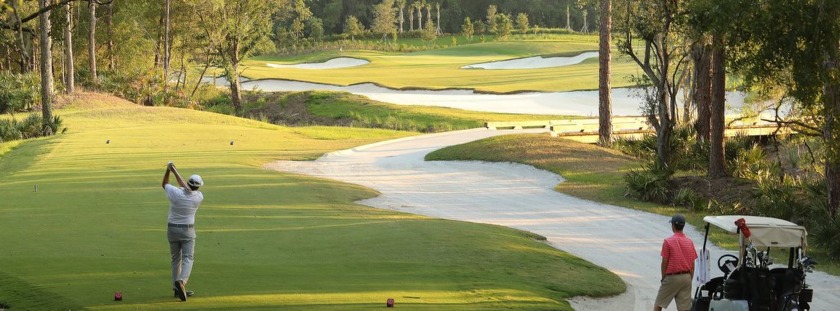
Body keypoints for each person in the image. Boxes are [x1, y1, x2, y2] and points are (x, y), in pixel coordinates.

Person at [162, 162, 204, 301]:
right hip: (187, 231)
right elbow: (185, 187)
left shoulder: (176, 193)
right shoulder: (198, 197)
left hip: (172, 229)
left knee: (176, 259)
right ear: (198, 186)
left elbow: (165, 184)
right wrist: (174, 171)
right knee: (188, 258)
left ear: (187, 182)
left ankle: (176, 288)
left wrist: (169, 171)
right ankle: (182, 282)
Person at [654, 214, 698, 311]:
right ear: (683, 226)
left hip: (672, 277)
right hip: (686, 277)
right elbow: (692, 264)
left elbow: (664, 262)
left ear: (673, 226)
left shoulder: (668, 241)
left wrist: (663, 278)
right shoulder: (689, 242)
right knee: (684, 309)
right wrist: (689, 279)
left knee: (658, 304)